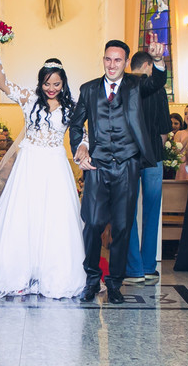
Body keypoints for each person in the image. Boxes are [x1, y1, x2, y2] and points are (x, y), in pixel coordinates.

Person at [0, 52, 87, 301]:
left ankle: (51, 275)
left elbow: (82, 133)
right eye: (47, 83)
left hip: (56, 166)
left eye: (56, 84)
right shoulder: (29, 98)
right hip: (29, 165)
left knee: (54, 219)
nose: (51, 88)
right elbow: (2, 83)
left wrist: (84, 147)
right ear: (40, 82)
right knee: (23, 216)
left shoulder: (72, 106)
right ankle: (17, 275)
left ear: (63, 83)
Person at [70, 37, 167, 303]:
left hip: (127, 165)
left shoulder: (136, 85)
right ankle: (92, 279)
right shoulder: (88, 89)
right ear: (103, 60)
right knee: (93, 224)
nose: (112, 65)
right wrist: (80, 149)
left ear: (126, 62)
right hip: (97, 166)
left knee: (123, 226)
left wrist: (158, 60)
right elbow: (76, 125)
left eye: (118, 60)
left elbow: (157, 82)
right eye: (108, 59)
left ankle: (114, 283)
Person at [124, 49, 172, 286]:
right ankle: (149, 267)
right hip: (153, 156)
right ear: (148, 66)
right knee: (152, 211)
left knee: (128, 212)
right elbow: (164, 130)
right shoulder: (158, 89)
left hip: (129, 158)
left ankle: (134, 270)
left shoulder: (123, 87)